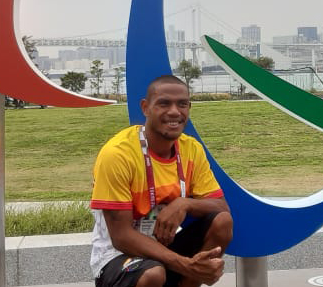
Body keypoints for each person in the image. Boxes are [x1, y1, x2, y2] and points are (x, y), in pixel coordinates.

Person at [90, 75, 233, 287]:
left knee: (222, 223)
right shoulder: (118, 154)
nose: (175, 111)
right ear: (145, 108)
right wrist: (186, 265)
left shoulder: (191, 149)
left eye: (182, 104)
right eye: (164, 103)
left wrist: (184, 203)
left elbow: (222, 207)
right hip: (118, 256)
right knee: (153, 274)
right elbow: (121, 236)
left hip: (164, 246)